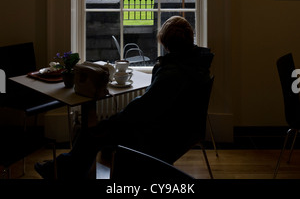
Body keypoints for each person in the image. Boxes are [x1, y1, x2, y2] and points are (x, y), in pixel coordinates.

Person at [35, 16, 213, 179]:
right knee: (100, 133)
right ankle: (67, 168)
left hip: (159, 135)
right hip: (179, 130)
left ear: (166, 43)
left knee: (91, 133)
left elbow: (143, 109)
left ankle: (63, 171)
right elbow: (152, 106)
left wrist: (117, 119)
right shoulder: (197, 65)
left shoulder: (173, 73)